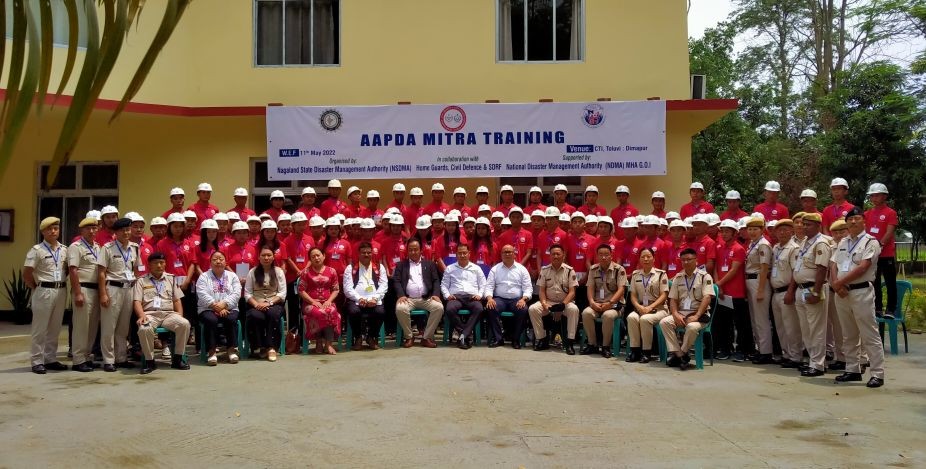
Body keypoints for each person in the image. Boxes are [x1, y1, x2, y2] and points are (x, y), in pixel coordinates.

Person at [830, 207, 886, 388]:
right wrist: (835, 283)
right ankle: (852, 369)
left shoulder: (870, 242)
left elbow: (863, 267)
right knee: (848, 334)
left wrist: (839, 283)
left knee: (869, 333)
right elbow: (833, 263)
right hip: (841, 292)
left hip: (861, 291)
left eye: (857, 218)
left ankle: (877, 373)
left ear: (864, 221)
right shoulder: (843, 242)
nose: (853, 221)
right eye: (850, 219)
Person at [132, 252, 191, 374]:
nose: (159, 265)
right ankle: (150, 361)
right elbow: (137, 302)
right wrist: (141, 315)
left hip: (168, 314)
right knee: (144, 329)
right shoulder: (141, 281)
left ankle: (178, 358)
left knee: (184, 324)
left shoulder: (171, 278)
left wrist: (179, 314)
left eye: (162, 263)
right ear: (149, 265)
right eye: (155, 263)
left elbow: (177, 299)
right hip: (149, 314)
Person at [24, 217, 69, 374]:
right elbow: (27, 273)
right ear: (43, 231)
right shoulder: (37, 250)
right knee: (40, 328)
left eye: (56, 228)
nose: (53, 231)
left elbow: (67, 270)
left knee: (55, 327)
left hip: (61, 290)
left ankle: (50, 358)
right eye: (49, 229)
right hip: (44, 290)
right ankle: (37, 360)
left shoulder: (64, 249)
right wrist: (36, 287)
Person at [789, 213, 832, 377]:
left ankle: (818, 364)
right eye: (803, 224)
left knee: (816, 328)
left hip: (813, 288)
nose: (804, 227)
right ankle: (811, 361)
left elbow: (822, 269)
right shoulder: (806, 242)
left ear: (818, 225)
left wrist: (816, 290)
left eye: (809, 224)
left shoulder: (821, 243)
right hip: (801, 288)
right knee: (806, 329)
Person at [661, 248, 715, 370]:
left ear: (696, 260)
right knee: (664, 322)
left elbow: (707, 298)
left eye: (689, 259)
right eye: (683, 260)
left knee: (691, 327)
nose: (686, 262)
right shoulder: (678, 277)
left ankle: (682, 353)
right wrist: (675, 313)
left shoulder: (705, 277)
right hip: (681, 313)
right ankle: (681, 355)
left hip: (699, 314)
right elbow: (673, 299)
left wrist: (696, 316)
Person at [97, 218, 139, 372]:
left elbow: (136, 269)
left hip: (129, 288)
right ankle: (108, 359)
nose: (126, 233)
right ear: (116, 232)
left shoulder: (135, 248)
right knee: (109, 326)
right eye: (122, 230)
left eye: (128, 229)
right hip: (112, 288)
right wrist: (103, 294)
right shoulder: (108, 248)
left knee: (123, 326)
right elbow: (101, 272)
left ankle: (121, 357)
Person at [528, 245, 579, 354]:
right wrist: (544, 303)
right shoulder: (544, 270)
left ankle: (569, 342)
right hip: (549, 302)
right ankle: (541, 339)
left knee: (574, 310)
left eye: (558, 254)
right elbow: (541, 291)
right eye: (553, 254)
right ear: (550, 256)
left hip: (565, 302)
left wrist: (562, 305)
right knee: (533, 309)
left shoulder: (570, 271)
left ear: (563, 256)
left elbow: (572, 292)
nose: (555, 256)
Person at [393, 239, 444, 348]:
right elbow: (396, 281)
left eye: (416, 250)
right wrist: (401, 295)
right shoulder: (401, 265)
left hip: (426, 298)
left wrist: (435, 294)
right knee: (400, 309)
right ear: (407, 251)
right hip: (408, 299)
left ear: (421, 250)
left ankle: (426, 337)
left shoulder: (429, 264)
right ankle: (409, 336)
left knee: (439, 307)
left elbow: (436, 280)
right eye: (410, 250)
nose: (413, 252)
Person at [768, 219, 804, 368]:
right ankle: (786, 354)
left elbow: (796, 272)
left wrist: (790, 291)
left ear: (791, 231)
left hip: (786, 290)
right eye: (779, 230)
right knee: (780, 326)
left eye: (785, 230)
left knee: (791, 326)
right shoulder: (776, 248)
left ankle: (795, 356)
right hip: (775, 292)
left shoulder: (794, 248)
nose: (782, 233)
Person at [67, 217, 101, 372]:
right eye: (88, 228)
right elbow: (73, 270)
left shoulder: (98, 247)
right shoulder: (76, 247)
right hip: (84, 289)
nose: (92, 231)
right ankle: (78, 359)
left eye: (94, 228)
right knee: (81, 326)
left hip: (96, 290)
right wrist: (78, 292)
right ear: (82, 230)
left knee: (92, 326)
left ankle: (87, 357)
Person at [714, 219, 751, 362]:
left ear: (735, 233)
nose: (724, 234)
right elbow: (717, 267)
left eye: (727, 231)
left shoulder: (739, 248)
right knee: (724, 322)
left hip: (736, 293)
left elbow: (734, 270)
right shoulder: (719, 247)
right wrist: (719, 286)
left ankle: (742, 350)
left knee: (740, 323)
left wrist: (720, 283)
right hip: (723, 293)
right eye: (722, 231)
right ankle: (725, 348)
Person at [581, 244, 627, 358]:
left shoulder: (619, 270)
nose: (603, 257)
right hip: (597, 303)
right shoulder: (593, 269)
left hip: (614, 304)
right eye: (600, 255)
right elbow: (590, 287)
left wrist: (610, 303)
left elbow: (621, 289)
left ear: (611, 255)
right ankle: (592, 344)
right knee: (586, 313)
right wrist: (592, 302)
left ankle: (606, 346)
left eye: (606, 254)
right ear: (597, 256)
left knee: (608, 316)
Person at [196, 251, 242, 366]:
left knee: (231, 319)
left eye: (221, 259)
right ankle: (211, 352)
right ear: (210, 262)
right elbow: (202, 293)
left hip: (229, 308)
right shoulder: (203, 277)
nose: (218, 261)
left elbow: (237, 293)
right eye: (215, 259)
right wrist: (216, 307)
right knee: (211, 320)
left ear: (226, 262)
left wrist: (225, 304)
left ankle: (231, 350)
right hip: (208, 308)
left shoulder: (232, 276)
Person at [625, 247, 670, 363]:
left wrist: (651, 307)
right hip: (641, 308)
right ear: (639, 259)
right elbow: (633, 295)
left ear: (654, 259)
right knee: (631, 317)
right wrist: (639, 307)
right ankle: (635, 351)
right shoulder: (635, 275)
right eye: (642, 257)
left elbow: (664, 295)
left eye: (648, 256)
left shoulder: (661, 274)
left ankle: (646, 352)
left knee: (645, 319)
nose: (645, 259)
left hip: (659, 309)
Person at [484, 244, 533, 349]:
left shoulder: (522, 269)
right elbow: (489, 286)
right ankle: (498, 338)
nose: (507, 254)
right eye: (504, 252)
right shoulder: (495, 269)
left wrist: (524, 299)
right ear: (501, 255)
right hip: (499, 299)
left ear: (514, 254)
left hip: (517, 299)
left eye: (509, 252)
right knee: (491, 307)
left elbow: (528, 288)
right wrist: (489, 298)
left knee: (523, 310)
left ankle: (515, 339)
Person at [343, 242, 389, 350]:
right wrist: (359, 299)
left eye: (369, 252)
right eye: (363, 253)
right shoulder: (350, 268)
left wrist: (375, 298)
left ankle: (371, 337)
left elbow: (384, 285)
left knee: (380, 312)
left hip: (374, 300)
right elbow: (347, 289)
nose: (366, 255)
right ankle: (358, 337)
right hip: (356, 300)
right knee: (353, 311)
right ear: (358, 254)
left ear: (372, 253)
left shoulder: (379, 267)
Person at [244, 246, 287, 361]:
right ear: (259, 257)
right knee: (255, 315)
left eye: (269, 255)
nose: (266, 258)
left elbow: (282, 293)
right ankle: (260, 346)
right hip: (256, 303)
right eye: (263, 255)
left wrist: (269, 303)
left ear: (273, 257)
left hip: (274, 303)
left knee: (273, 314)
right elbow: (247, 293)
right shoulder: (252, 272)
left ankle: (272, 347)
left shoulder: (279, 272)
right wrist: (256, 304)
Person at [441, 243, 487, 349]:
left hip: (472, 297)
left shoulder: (476, 268)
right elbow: (444, 285)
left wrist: (480, 295)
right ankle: (465, 334)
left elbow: (483, 284)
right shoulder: (450, 268)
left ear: (469, 254)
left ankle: (462, 336)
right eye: (460, 253)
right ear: (456, 254)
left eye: (464, 253)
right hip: (456, 297)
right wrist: (447, 295)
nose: (462, 255)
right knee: (450, 309)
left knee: (479, 308)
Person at [863, 183, 898, 319]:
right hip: (872, 254)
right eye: (872, 196)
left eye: (877, 195)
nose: (874, 198)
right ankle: (877, 308)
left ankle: (891, 309)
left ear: (884, 196)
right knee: (874, 281)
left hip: (886, 253)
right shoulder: (867, 214)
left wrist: (880, 244)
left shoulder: (890, 213)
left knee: (890, 282)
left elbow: (889, 232)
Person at [743, 217, 775, 364]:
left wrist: (761, 289)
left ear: (762, 230)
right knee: (755, 319)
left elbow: (764, 268)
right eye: (750, 229)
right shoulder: (752, 244)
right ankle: (760, 349)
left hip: (758, 281)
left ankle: (766, 352)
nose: (752, 232)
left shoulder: (763, 245)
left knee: (761, 319)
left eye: (755, 229)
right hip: (750, 280)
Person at [298, 247, 341, 355]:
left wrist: (329, 301)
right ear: (310, 259)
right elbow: (301, 291)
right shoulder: (306, 272)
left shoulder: (331, 271)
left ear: (324, 256)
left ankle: (328, 343)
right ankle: (318, 341)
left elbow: (336, 289)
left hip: (327, 301)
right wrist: (313, 302)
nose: (316, 258)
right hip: (310, 304)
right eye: (313, 256)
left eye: (318, 255)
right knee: (319, 312)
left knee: (331, 311)